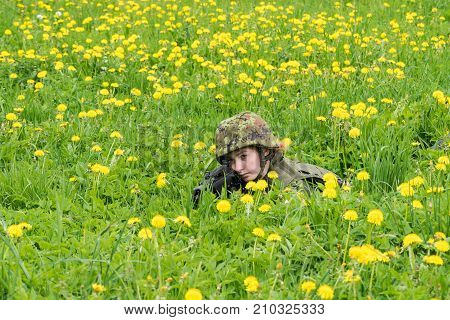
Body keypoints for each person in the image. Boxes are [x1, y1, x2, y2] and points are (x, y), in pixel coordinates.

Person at [192, 111, 342, 206]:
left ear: (264, 151)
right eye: (231, 160)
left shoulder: (293, 185)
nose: (237, 167)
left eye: (243, 156)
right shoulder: (240, 173)